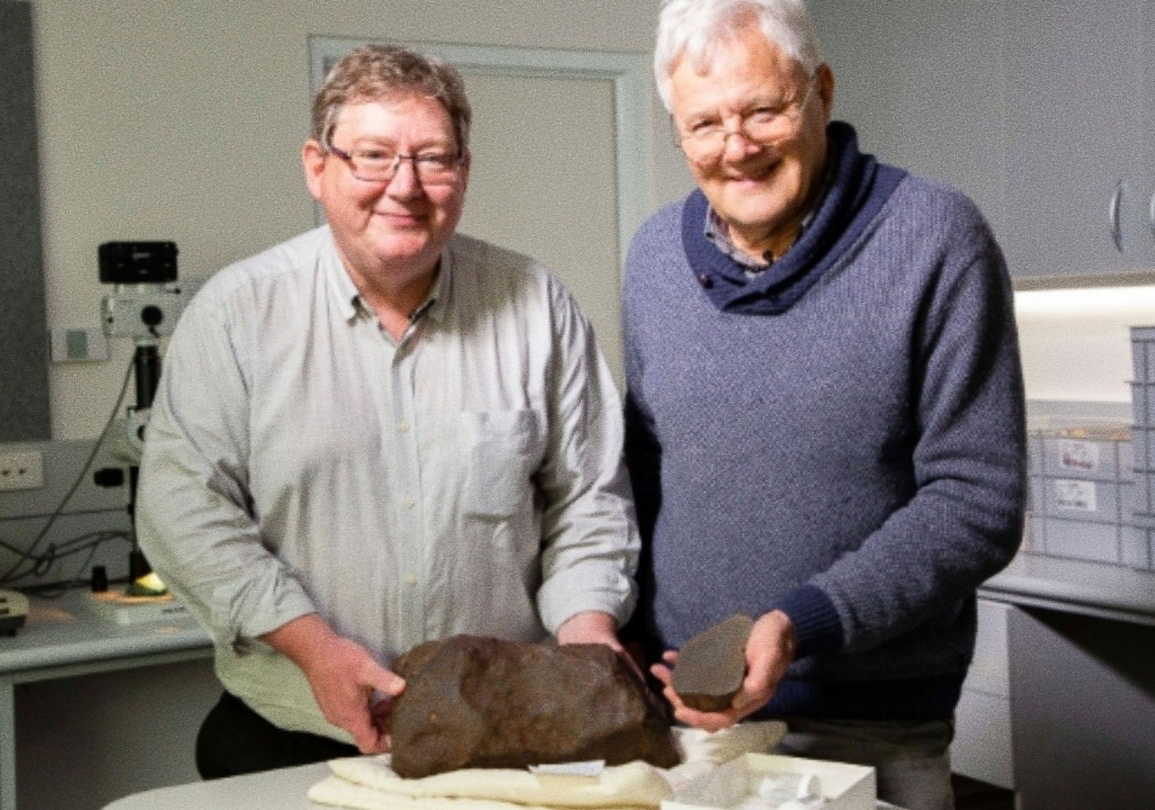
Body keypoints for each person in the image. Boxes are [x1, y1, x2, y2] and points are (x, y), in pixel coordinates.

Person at [135, 44, 639, 779]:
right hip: (294, 736)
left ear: (463, 172)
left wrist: (588, 633)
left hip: (501, 741)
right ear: (318, 166)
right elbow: (183, 509)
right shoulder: (236, 317)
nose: (404, 187)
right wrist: (312, 645)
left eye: (433, 159)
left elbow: (588, 500)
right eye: (373, 156)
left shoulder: (538, 307)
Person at [622, 2, 1026, 808]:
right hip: (697, 726)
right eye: (703, 124)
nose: (736, 149)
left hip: (877, 726)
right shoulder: (654, 260)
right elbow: (645, 471)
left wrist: (801, 623)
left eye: (763, 110)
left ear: (822, 92)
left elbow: (979, 499)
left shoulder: (936, 239)